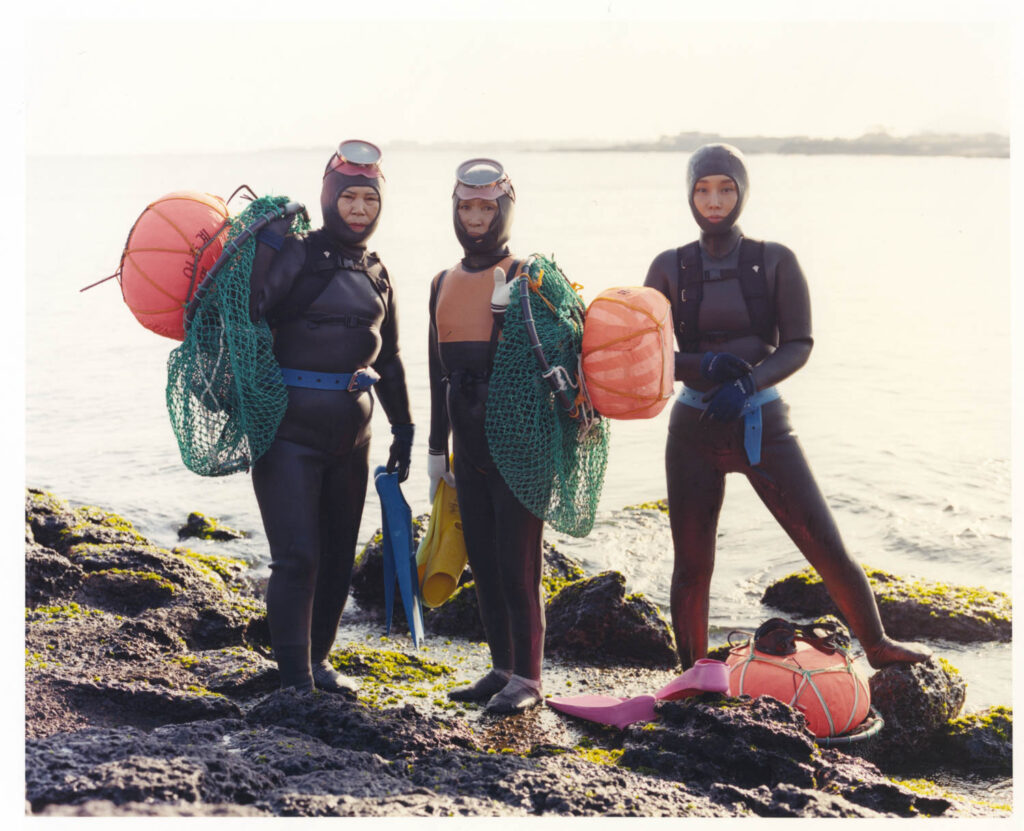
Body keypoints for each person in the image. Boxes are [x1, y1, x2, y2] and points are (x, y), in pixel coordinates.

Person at [644, 143, 932, 670]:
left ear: (743, 192)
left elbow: (799, 343)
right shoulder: (668, 266)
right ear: (689, 194)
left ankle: (877, 644)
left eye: (726, 189)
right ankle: (692, 673)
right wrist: (702, 369)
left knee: (823, 543)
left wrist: (747, 384)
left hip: (763, 422)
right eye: (703, 190)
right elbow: (648, 352)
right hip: (693, 426)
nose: (714, 201)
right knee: (692, 565)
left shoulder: (774, 260)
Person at [247, 140, 414, 692]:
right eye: (350, 198)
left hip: (354, 434)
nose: (360, 208)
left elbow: (387, 355)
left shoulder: (377, 269)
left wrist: (406, 428)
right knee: (297, 558)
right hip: (288, 432)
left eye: (370, 198)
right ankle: (294, 681)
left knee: (339, 558)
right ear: (329, 198)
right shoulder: (298, 252)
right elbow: (253, 307)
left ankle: (318, 662)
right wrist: (267, 243)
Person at [426, 158, 546, 714]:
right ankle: (501, 668)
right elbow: (437, 372)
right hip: (467, 448)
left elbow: (553, 359)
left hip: (519, 446)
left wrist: (510, 317)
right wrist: (434, 448)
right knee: (485, 561)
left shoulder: (528, 274)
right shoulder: (440, 282)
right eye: (466, 207)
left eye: (486, 208)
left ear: (504, 211)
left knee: (520, 565)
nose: (476, 218)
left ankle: (530, 679)